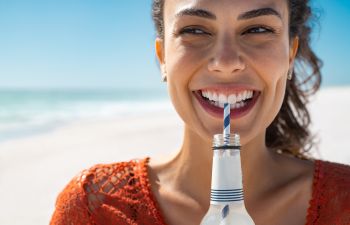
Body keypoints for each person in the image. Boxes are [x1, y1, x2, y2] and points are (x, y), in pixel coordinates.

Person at [50, 0, 350, 224]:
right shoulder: (95, 208)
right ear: (163, 57)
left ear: (289, 56)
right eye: (194, 29)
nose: (226, 61)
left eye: (257, 29)